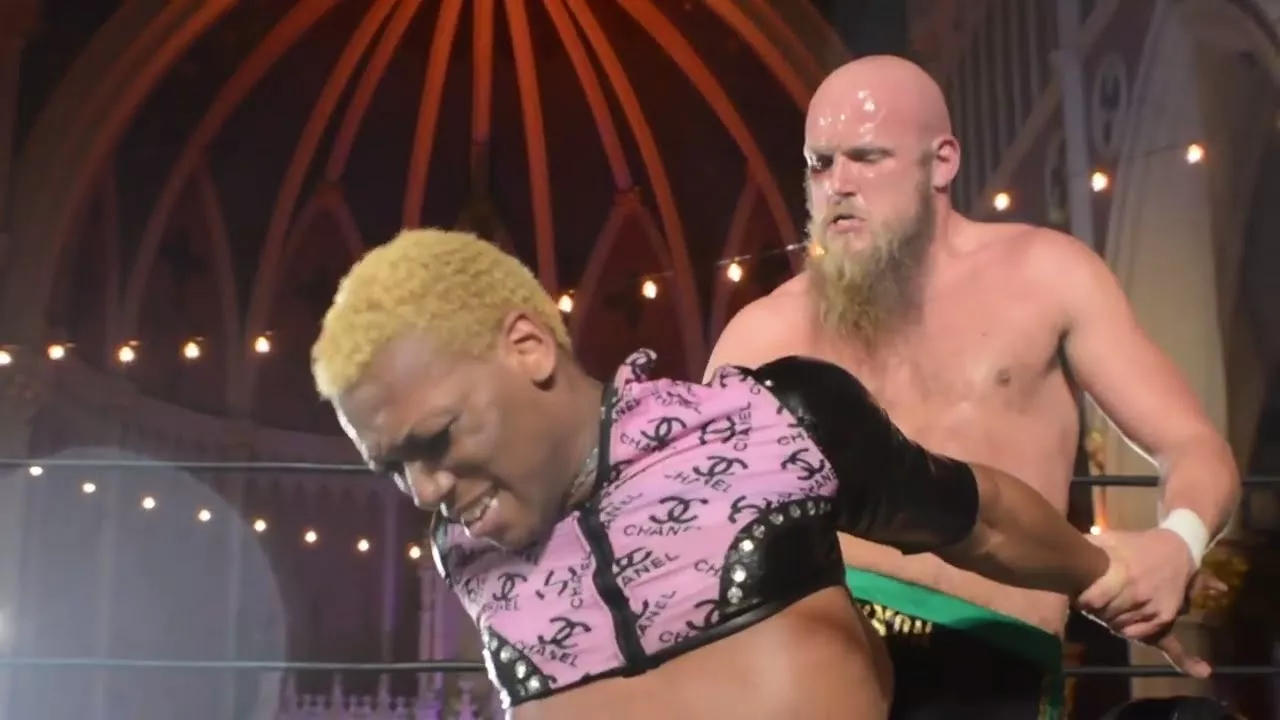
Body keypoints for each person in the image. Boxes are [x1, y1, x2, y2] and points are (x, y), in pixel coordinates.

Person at [313, 228, 1173, 720]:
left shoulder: (771, 421)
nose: (422, 491)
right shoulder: (464, 556)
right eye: (393, 467)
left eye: (434, 439)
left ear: (529, 348)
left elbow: (976, 518)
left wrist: (1107, 576)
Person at [704, 55, 1239, 719]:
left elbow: (1192, 443)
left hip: (994, 660)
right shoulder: (763, 332)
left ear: (943, 162)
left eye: (867, 157)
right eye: (820, 164)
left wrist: (1178, 542)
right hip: (821, 660)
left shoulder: (1047, 276)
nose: (838, 184)